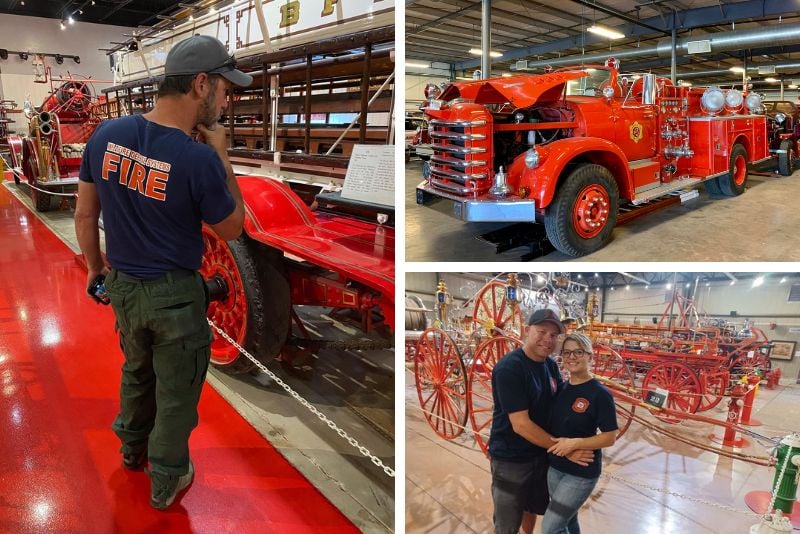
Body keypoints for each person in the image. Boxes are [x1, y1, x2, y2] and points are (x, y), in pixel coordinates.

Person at [74, 34, 250, 510]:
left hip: (124, 288)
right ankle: (168, 476)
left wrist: (95, 268)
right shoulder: (197, 159)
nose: (227, 100)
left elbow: (86, 216)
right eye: (225, 89)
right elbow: (233, 227)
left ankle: (132, 450)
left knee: (136, 371)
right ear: (200, 85)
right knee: (177, 389)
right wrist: (222, 153)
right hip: (174, 296)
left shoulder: (107, 135)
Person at [489, 308, 594, 534]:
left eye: (553, 335)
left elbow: (559, 402)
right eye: (542, 331)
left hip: (540, 455)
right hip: (512, 459)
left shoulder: (549, 365)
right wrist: (567, 449)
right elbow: (521, 424)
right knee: (507, 521)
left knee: (532, 507)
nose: (547, 339)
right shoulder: (510, 368)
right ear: (527, 331)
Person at [542, 332, 618, 534]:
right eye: (567, 353)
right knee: (568, 521)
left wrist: (575, 444)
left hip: (581, 473)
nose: (572, 357)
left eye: (578, 352)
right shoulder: (561, 389)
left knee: (550, 528)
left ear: (590, 357)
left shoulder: (600, 394)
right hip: (556, 467)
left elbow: (610, 437)